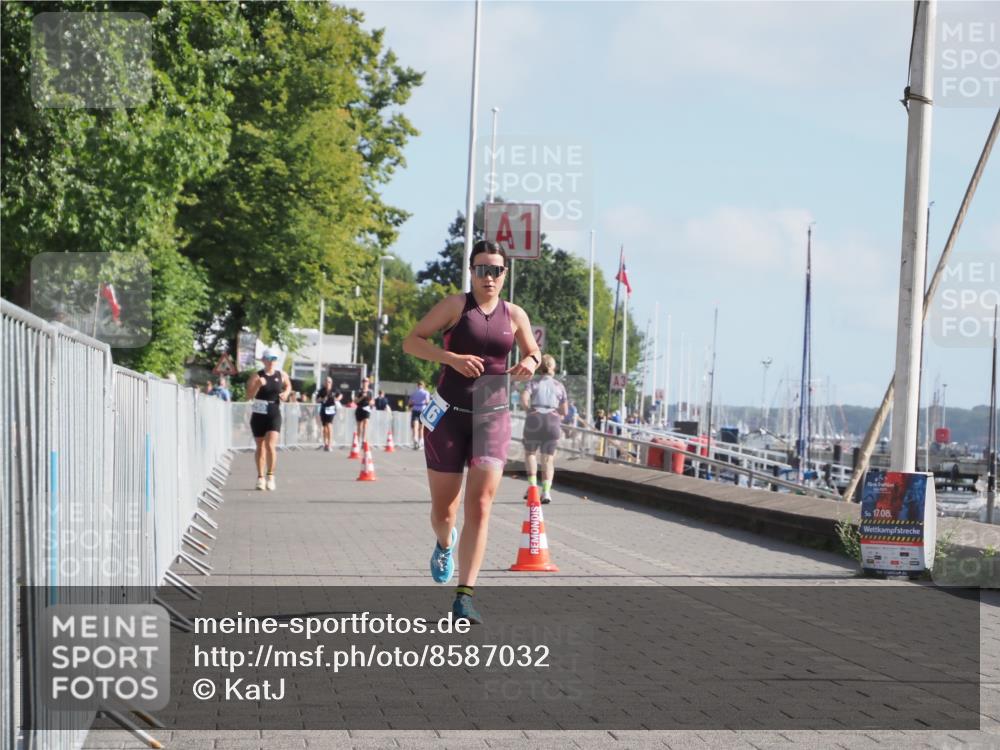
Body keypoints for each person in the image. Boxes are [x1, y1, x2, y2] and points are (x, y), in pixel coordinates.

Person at [403, 239, 539, 625]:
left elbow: (534, 352)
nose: (489, 277)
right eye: (482, 269)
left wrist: (530, 361)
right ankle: (445, 543)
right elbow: (411, 341)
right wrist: (452, 359)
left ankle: (464, 596)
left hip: (492, 415)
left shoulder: (515, 314)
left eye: (496, 270)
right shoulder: (454, 306)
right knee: (445, 511)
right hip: (449, 414)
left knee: (480, 505)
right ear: (471, 271)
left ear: (504, 274)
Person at [520, 354, 568, 504]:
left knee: (531, 454)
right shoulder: (559, 386)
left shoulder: (533, 383)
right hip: (552, 420)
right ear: (553, 368)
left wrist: (528, 409)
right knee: (548, 458)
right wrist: (557, 415)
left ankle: (533, 486)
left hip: (535, 418)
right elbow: (565, 411)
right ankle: (546, 491)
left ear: (539, 368)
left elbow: (524, 397)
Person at [246, 348, 292, 490]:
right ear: (263, 360)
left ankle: (270, 476)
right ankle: (260, 478)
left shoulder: (281, 374)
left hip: (274, 411)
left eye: (274, 359)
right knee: (260, 446)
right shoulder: (257, 376)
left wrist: (286, 393)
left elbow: (289, 385)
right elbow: (248, 396)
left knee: (270, 445)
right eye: (269, 359)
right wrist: (258, 385)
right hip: (259, 413)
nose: (271, 362)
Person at [315, 376, 341, 452]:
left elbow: (340, 395)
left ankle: (330, 444)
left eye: (329, 382)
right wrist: (322, 399)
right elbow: (317, 400)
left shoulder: (334, 390)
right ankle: (325, 443)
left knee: (329, 425)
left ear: (331, 383)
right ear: (324, 383)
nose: (327, 383)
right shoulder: (321, 390)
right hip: (323, 409)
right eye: (326, 381)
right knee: (325, 427)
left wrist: (336, 399)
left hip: (331, 409)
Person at [409, 381, 430, 450]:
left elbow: (410, 402)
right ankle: (421, 441)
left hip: (415, 409)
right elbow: (427, 401)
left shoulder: (414, 393)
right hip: (422, 409)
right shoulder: (426, 392)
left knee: (415, 425)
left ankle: (415, 439)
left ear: (417, 385)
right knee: (421, 427)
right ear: (423, 386)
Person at [355, 376, 373, 445]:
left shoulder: (370, 392)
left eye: (366, 381)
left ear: (368, 383)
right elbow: (355, 401)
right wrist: (362, 396)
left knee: (365, 423)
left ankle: (364, 440)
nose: (365, 383)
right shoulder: (359, 391)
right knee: (359, 426)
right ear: (362, 383)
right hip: (360, 408)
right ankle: (358, 440)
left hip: (367, 409)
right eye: (363, 381)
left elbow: (372, 401)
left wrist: (370, 402)